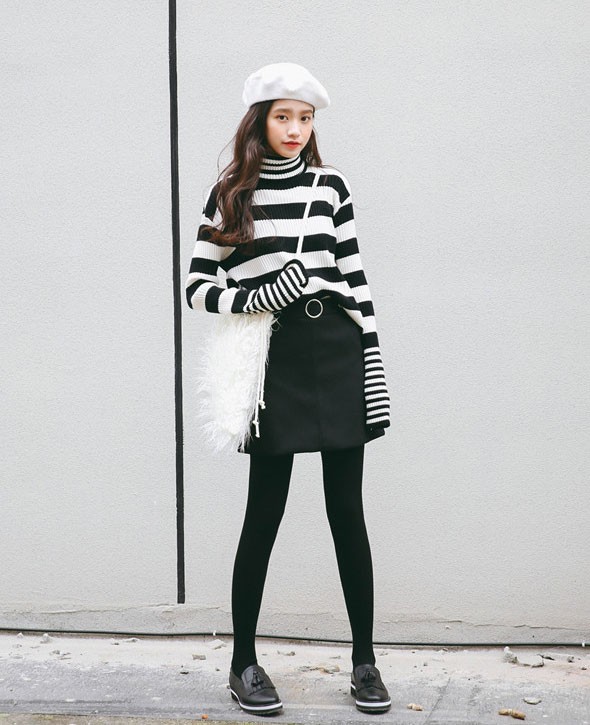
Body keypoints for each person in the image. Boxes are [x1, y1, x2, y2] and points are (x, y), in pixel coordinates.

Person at [185, 62, 392, 716]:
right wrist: (258, 295)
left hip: (336, 349)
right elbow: (196, 287)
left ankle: (364, 661)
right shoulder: (230, 194)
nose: (295, 129)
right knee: (264, 512)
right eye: (283, 117)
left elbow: (355, 279)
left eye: (305, 118)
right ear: (260, 121)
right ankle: (243, 662)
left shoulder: (332, 187)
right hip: (275, 361)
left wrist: (373, 365)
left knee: (347, 513)